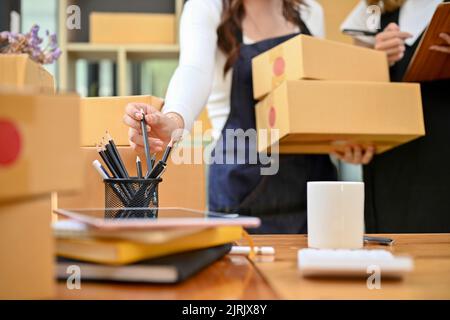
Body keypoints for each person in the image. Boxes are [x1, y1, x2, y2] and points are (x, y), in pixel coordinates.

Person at [122, 0, 366, 233]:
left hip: (313, 195)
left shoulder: (311, 11)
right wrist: (174, 121)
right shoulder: (206, 7)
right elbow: (193, 70)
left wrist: (340, 141)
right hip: (240, 195)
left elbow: (313, 96)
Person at [339, 0, 450, 232]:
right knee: (393, 252)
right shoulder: (374, 8)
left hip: (442, 156)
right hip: (392, 167)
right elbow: (353, 89)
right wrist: (375, 59)